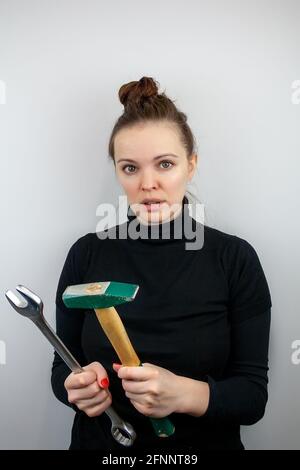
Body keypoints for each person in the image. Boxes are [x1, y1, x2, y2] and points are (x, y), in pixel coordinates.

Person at [51, 76, 272, 452]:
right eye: (131, 168)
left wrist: (185, 394)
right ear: (118, 172)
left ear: (191, 164)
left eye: (165, 164)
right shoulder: (86, 254)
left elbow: (252, 397)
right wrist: (74, 389)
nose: (147, 183)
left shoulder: (235, 259)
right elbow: (62, 369)